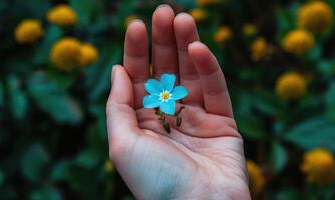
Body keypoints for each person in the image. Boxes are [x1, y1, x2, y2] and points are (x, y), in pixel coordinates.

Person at [106, 4, 251, 200]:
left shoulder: (171, 99)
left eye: (166, 96)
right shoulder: (159, 101)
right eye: (165, 96)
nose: (165, 96)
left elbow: (174, 94)